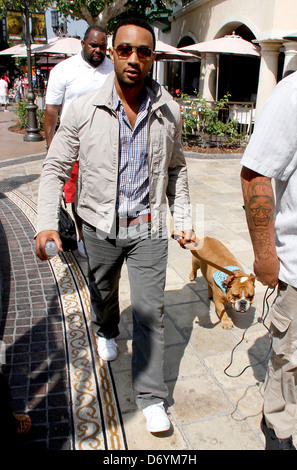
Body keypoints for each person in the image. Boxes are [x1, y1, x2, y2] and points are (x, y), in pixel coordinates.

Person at [35, 17, 193, 433]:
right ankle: (106, 327)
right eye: (124, 49)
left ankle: (151, 395)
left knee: (150, 312)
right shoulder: (83, 107)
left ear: (153, 57)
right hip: (99, 225)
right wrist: (46, 224)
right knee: (103, 293)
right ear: (111, 51)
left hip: (150, 229)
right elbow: (54, 168)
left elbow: (177, 170)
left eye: (143, 51)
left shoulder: (169, 111)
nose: (133, 58)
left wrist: (185, 220)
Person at [240, 70, 297, 450]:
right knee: (291, 359)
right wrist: (265, 255)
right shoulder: (295, 91)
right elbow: (256, 173)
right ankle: (277, 427)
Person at [44, 25, 113, 257]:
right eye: (94, 45)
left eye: (103, 46)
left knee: (101, 191)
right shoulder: (64, 70)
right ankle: (83, 236)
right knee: (76, 195)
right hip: (73, 144)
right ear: (83, 44)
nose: (98, 50)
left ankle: (101, 233)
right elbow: (52, 111)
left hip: (104, 145)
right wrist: (51, 147)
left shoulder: (113, 71)